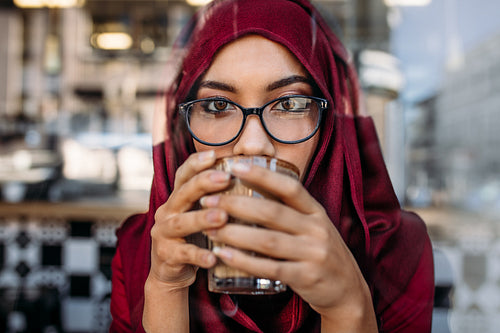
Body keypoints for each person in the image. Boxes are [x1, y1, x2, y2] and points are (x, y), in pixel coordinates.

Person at [109, 0, 435, 332]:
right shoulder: (141, 250)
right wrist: (165, 289)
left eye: (290, 103)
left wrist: (348, 306)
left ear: (329, 125)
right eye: (217, 105)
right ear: (182, 125)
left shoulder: (395, 253)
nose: (252, 144)